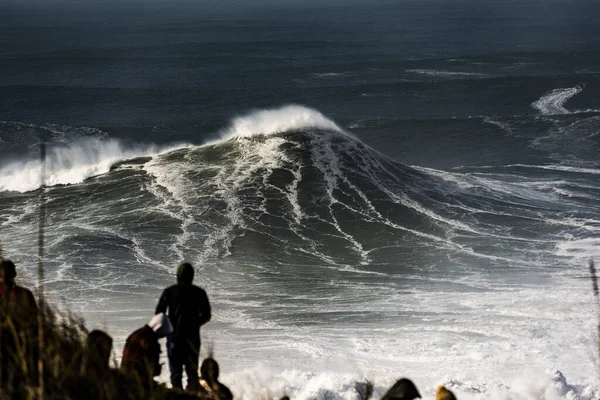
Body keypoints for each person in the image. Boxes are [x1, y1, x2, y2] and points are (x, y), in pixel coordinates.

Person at [156, 262, 211, 391]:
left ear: (177, 276)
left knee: (176, 377)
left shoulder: (169, 292)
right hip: (192, 339)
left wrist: (169, 329)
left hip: (174, 339)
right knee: (192, 376)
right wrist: (195, 324)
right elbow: (207, 315)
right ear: (192, 276)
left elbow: (159, 314)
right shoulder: (199, 293)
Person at [121, 313, 173, 387]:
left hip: (123, 375)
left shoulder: (136, 333)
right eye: (163, 335)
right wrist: (159, 368)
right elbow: (153, 370)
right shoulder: (152, 341)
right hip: (139, 381)